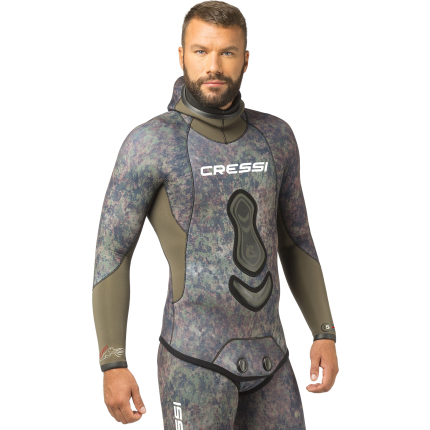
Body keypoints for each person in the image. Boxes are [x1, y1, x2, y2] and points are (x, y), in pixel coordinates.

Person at [92, 2, 339, 428]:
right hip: (193, 362)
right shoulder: (151, 143)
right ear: (181, 55)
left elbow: (295, 239)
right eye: (201, 51)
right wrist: (113, 361)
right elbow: (112, 252)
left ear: (246, 58)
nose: (214, 66)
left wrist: (324, 331)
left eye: (227, 52)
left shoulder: (276, 137)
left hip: (272, 357)